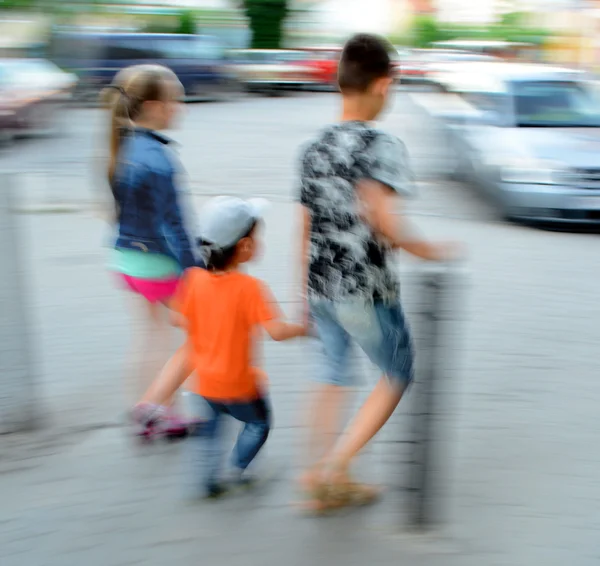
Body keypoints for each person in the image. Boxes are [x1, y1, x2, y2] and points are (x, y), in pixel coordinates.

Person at [297, 33, 460, 511]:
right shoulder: (382, 143)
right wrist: (432, 251)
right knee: (397, 372)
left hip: (320, 286)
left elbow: (302, 227)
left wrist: (300, 297)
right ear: (384, 85)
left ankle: (319, 478)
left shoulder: (313, 148)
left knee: (330, 374)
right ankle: (334, 467)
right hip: (365, 291)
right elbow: (384, 219)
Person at [135, 196, 307, 498]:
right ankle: (238, 469)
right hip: (241, 385)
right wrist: (304, 327)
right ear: (244, 248)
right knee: (258, 425)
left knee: (210, 431)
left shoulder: (192, 280)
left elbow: (177, 319)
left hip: (204, 384)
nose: (260, 242)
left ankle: (206, 480)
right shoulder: (251, 289)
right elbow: (277, 332)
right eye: (257, 237)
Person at [103, 64, 199, 439]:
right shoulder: (158, 159)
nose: (181, 107)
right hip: (157, 262)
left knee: (151, 334)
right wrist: (195, 270)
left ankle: (150, 410)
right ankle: (155, 407)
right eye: (177, 99)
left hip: (127, 258)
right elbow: (171, 226)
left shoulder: (124, 145)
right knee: (199, 335)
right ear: (157, 106)